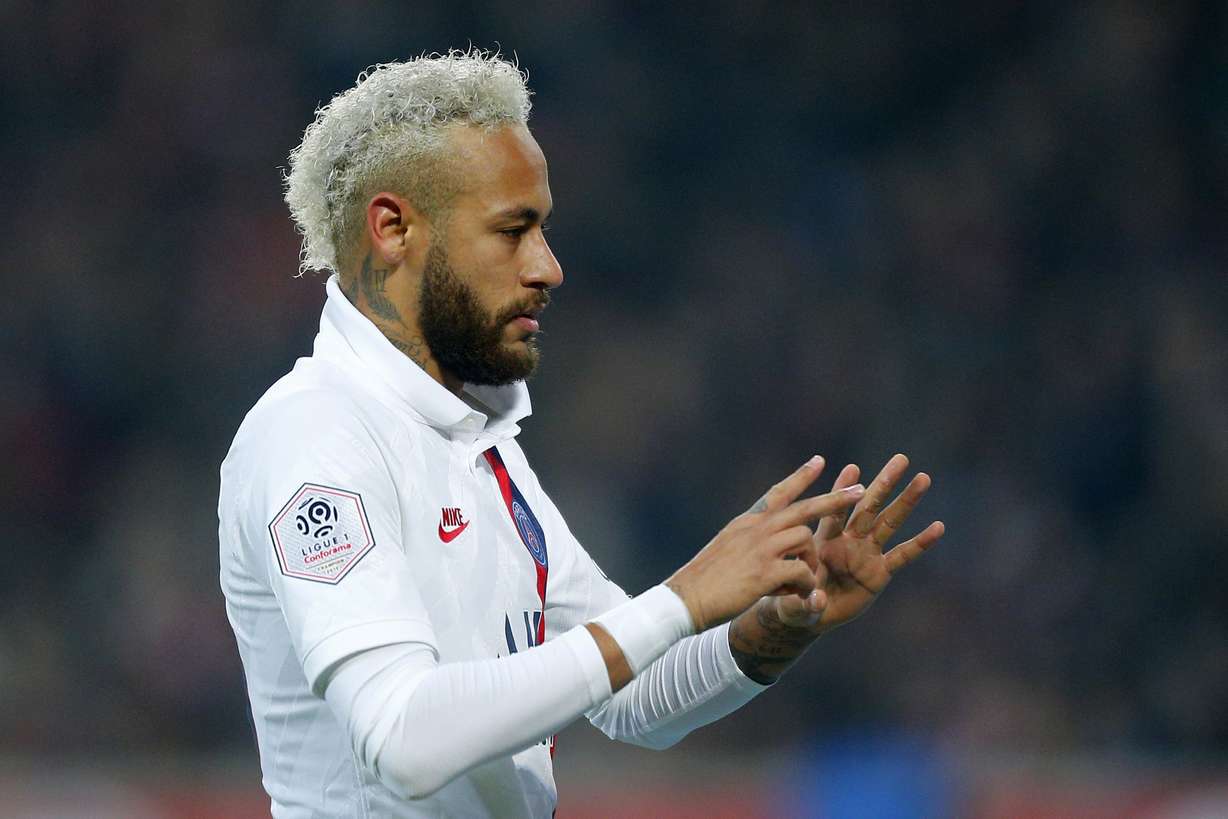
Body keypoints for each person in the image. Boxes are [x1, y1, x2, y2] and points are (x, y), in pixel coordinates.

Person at [218, 50, 945, 819]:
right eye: (512, 230)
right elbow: (404, 738)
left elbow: (631, 696)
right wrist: (682, 597)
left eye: (545, 229)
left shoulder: (474, 445)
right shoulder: (315, 435)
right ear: (394, 228)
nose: (548, 267)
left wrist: (768, 626)